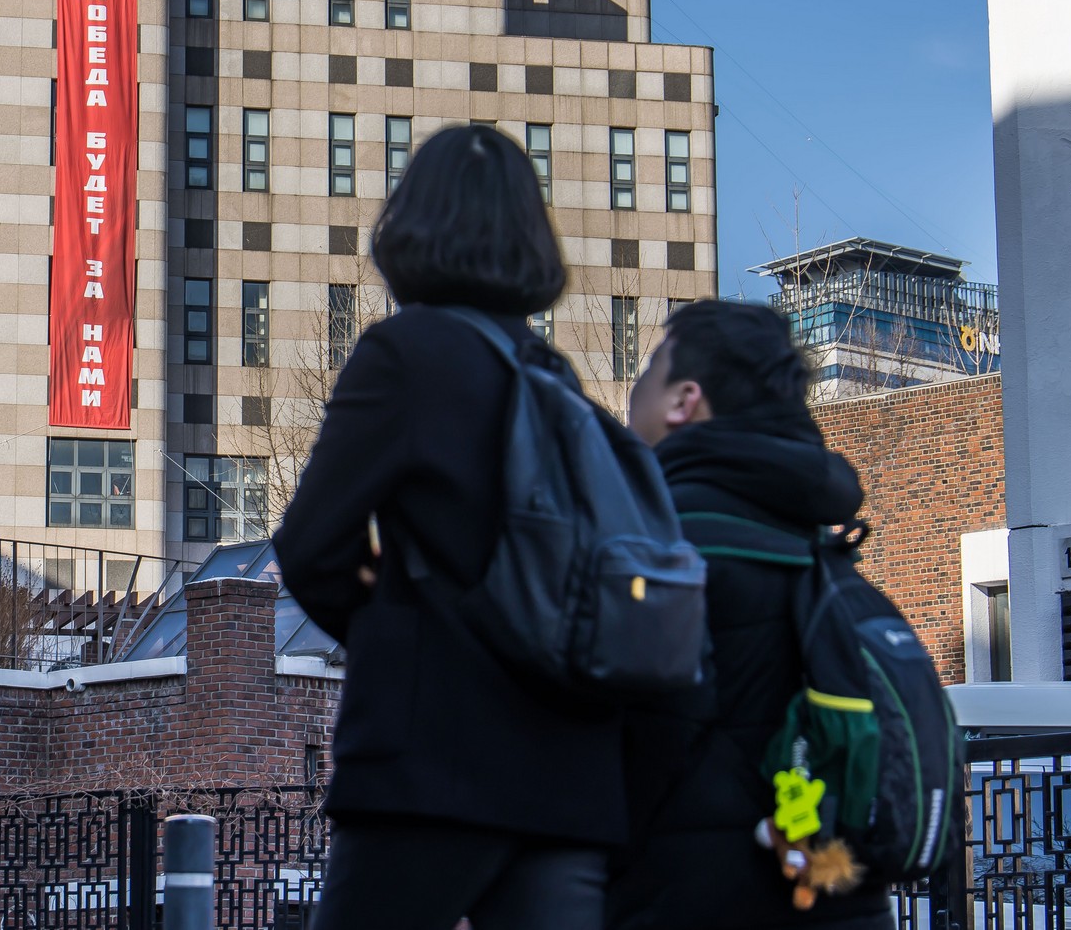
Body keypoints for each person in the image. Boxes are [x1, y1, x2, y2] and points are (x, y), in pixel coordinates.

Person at [276, 124, 621, 930]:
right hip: (568, 770)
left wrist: (393, 627)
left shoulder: (402, 355)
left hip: (431, 760)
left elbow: (311, 544)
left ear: (412, 221)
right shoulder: (554, 377)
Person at [611, 300, 892, 930]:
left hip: (700, 899)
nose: (635, 392)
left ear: (684, 400)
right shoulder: (822, 545)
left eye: (650, 368)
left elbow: (636, 750)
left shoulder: (671, 547)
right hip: (841, 903)